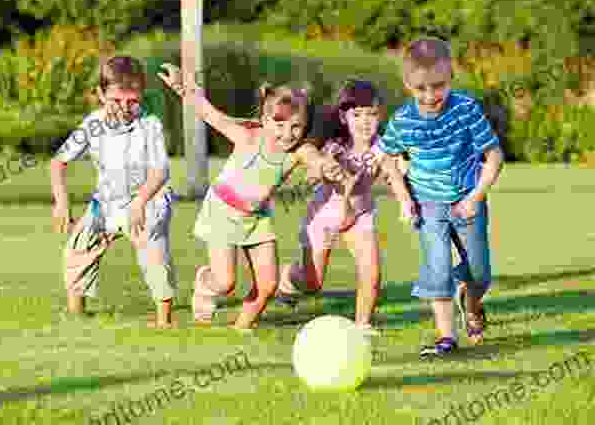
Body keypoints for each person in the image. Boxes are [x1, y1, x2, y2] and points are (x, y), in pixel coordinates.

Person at [158, 62, 352, 330]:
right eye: (279, 124)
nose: (287, 134)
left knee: (268, 285)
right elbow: (209, 113)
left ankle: (240, 329)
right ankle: (205, 284)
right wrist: (182, 87)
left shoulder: (298, 150)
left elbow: (315, 158)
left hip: (257, 219)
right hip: (223, 212)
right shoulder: (248, 136)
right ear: (264, 119)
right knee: (225, 283)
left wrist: (327, 166)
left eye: (296, 127)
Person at [375, 38, 504, 357]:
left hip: (466, 200)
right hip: (428, 205)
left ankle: (470, 302)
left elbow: (494, 155)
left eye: (439, 86)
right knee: (438, 268)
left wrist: (475, 197)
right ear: (407, 84)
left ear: (451, 78)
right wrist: (404, 197)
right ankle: (446, 337)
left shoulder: (465, 109)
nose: (431, 96)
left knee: (479, 274)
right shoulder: (403, 120)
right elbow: (387, 158)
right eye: (421, 89)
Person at [275, 79, 414, 335]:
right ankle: (289, 277)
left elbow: (394, 176)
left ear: (380, 115)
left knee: (371, 271)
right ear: (343, 116)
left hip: (359, 215)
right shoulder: (336, 146)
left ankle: (362, 324)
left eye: (371, 114)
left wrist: (405, 203)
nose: (364, 121)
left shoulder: (381, 147)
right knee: (313, 282)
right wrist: (323, 170)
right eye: (357, 114)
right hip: (326, 214)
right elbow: (320, 168)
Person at [50, 56, 177, 328]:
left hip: (148, 198)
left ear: (141, 95)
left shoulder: (149, 125)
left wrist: (140, 201)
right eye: (116, 101)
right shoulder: (92, 124)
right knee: (78, 246)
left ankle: (163, 320)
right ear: (100, 94)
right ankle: (76, 314)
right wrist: (61, 203)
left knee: (152, 251)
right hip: (107, 202)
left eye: (133, 101)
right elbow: (58, 162)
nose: (124, 108)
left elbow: (160, 172)